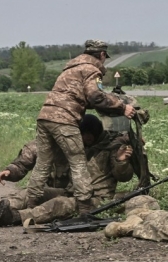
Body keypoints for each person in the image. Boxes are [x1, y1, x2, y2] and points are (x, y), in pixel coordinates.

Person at [0, 115, 135, 227]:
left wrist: (121, 161)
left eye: (81, 136)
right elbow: (32, 153)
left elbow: (124, 176)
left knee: (59, 204)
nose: (77, 140)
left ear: (90, 135)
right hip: (68, 190)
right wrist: (11, 171)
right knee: (33, 193)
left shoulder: (112, 147)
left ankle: (15, 217)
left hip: (93, 198)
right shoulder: (68, 144)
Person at [25, 40, 135, 215]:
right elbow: (96, 97)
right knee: (78, 161)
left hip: (45, 116)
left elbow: (79, 98)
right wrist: (122, 107)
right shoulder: (92, 70)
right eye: (104, 57)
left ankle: (31, 203)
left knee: (43, 163)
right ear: (101, 55)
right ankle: (84, 208)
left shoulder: (70, 69)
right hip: (64, 119)